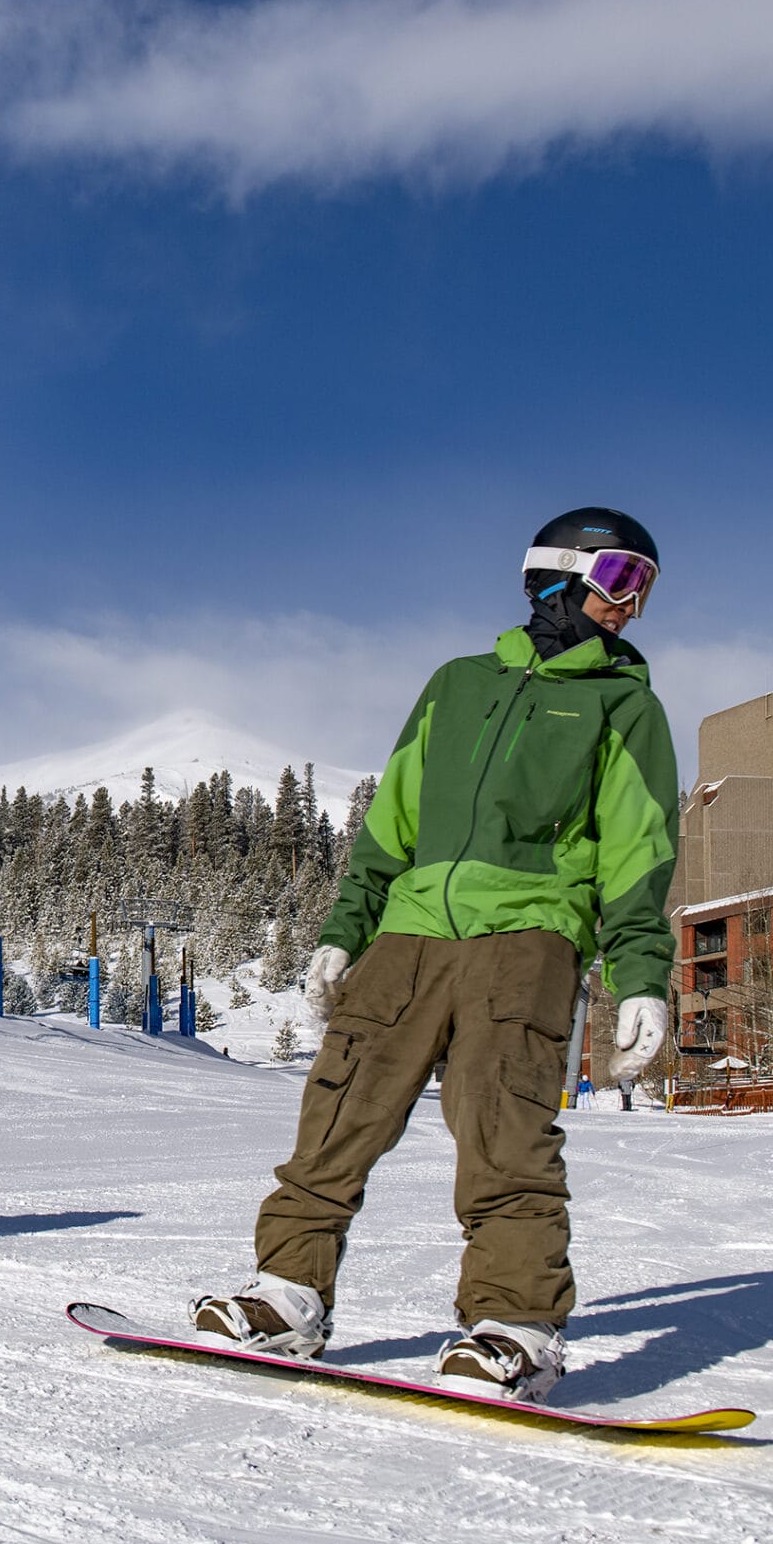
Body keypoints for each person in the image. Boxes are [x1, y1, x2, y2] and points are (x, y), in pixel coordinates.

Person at [192, 510, 680, 1402]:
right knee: (339, 1111)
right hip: (411, 933)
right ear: (556, 576)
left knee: (504, 1128)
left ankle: (516, 1324)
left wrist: (641, 973)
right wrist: (348, 925)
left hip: (530, 935)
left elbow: (638, 851)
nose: (630, 605)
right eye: (619, 577)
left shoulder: (624, 706)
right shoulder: (456, 684)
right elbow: (393, 822)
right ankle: (290, 1292)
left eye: (644, 587)